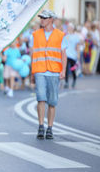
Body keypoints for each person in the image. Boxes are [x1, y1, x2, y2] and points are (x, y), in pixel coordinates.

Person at [31, 10, 67, 140]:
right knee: (41, 99)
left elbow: (63, 55)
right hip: (40, 70)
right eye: (41, 18)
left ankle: (50, 128)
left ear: (51, 19)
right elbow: (33, 54)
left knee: (52, 102)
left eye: (44, 18)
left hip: (54, 72)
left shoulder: (60, 35)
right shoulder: (35, 35)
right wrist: (32, 72)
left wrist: (63, 71)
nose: (42, 20)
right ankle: (41, 126)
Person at [64, 23, 81, 88]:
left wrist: (78, 54)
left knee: (72, 69)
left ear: (73, 28)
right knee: (66, 69)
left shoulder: (76, 36)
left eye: (70, 27)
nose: (69, 28)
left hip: (73, 55)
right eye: (68, 27)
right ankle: (66, 82)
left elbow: (77, 46)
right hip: (66, 54)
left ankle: (74, 79)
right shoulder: (66, 35)